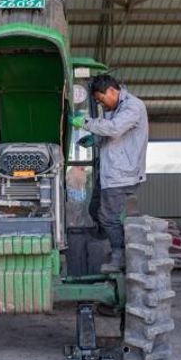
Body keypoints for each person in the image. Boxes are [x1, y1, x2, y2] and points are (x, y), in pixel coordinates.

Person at [70, 75, 149, 273]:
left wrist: (85, 122)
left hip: (122, 174)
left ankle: (119, 254)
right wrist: (94, 139)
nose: (100, 103)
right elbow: (111, 137)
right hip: (109, 172)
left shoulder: (133, 107)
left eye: (100, 99)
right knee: (94, 210)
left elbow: (114, 130)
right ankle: (111, 243)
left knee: (108, 217)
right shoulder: (113, 109)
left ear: (112, 91)